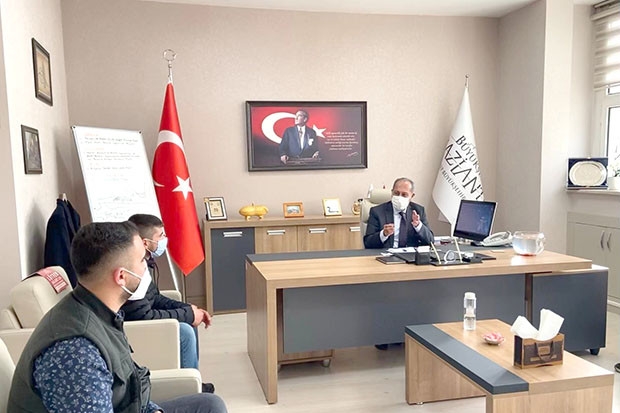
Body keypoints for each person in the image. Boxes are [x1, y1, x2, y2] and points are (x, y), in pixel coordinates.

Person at [8, 221, 227, 413]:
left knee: (209, 405)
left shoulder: (100, 311)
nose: (146, 266)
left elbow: (130, 382)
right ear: (121, 276)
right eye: (142, 260)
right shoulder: (75, 352)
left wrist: (153, 410)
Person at [122, 214, 214, 392]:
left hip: (145, 322)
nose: (165, 239)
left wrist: (188, 310)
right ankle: (189, 389)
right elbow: (143, 317)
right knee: (185, 331)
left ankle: (193, 379)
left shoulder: (143, 262)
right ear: (145, 243)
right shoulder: (131, 270)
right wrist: (187, 315)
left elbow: (154, 298)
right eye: (161, 236)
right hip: (136, 331)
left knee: (190, 319)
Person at [364, 177, 434, 249]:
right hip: (387, 253)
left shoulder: (418, 211)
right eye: (396, 193)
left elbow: (430, 241)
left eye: (404, 195)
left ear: (412, 196)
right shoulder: (377, 212)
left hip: (411, 254)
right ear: (392, 192)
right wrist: (383, 234)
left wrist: (418, 225)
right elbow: (368, 243)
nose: (399, 197)